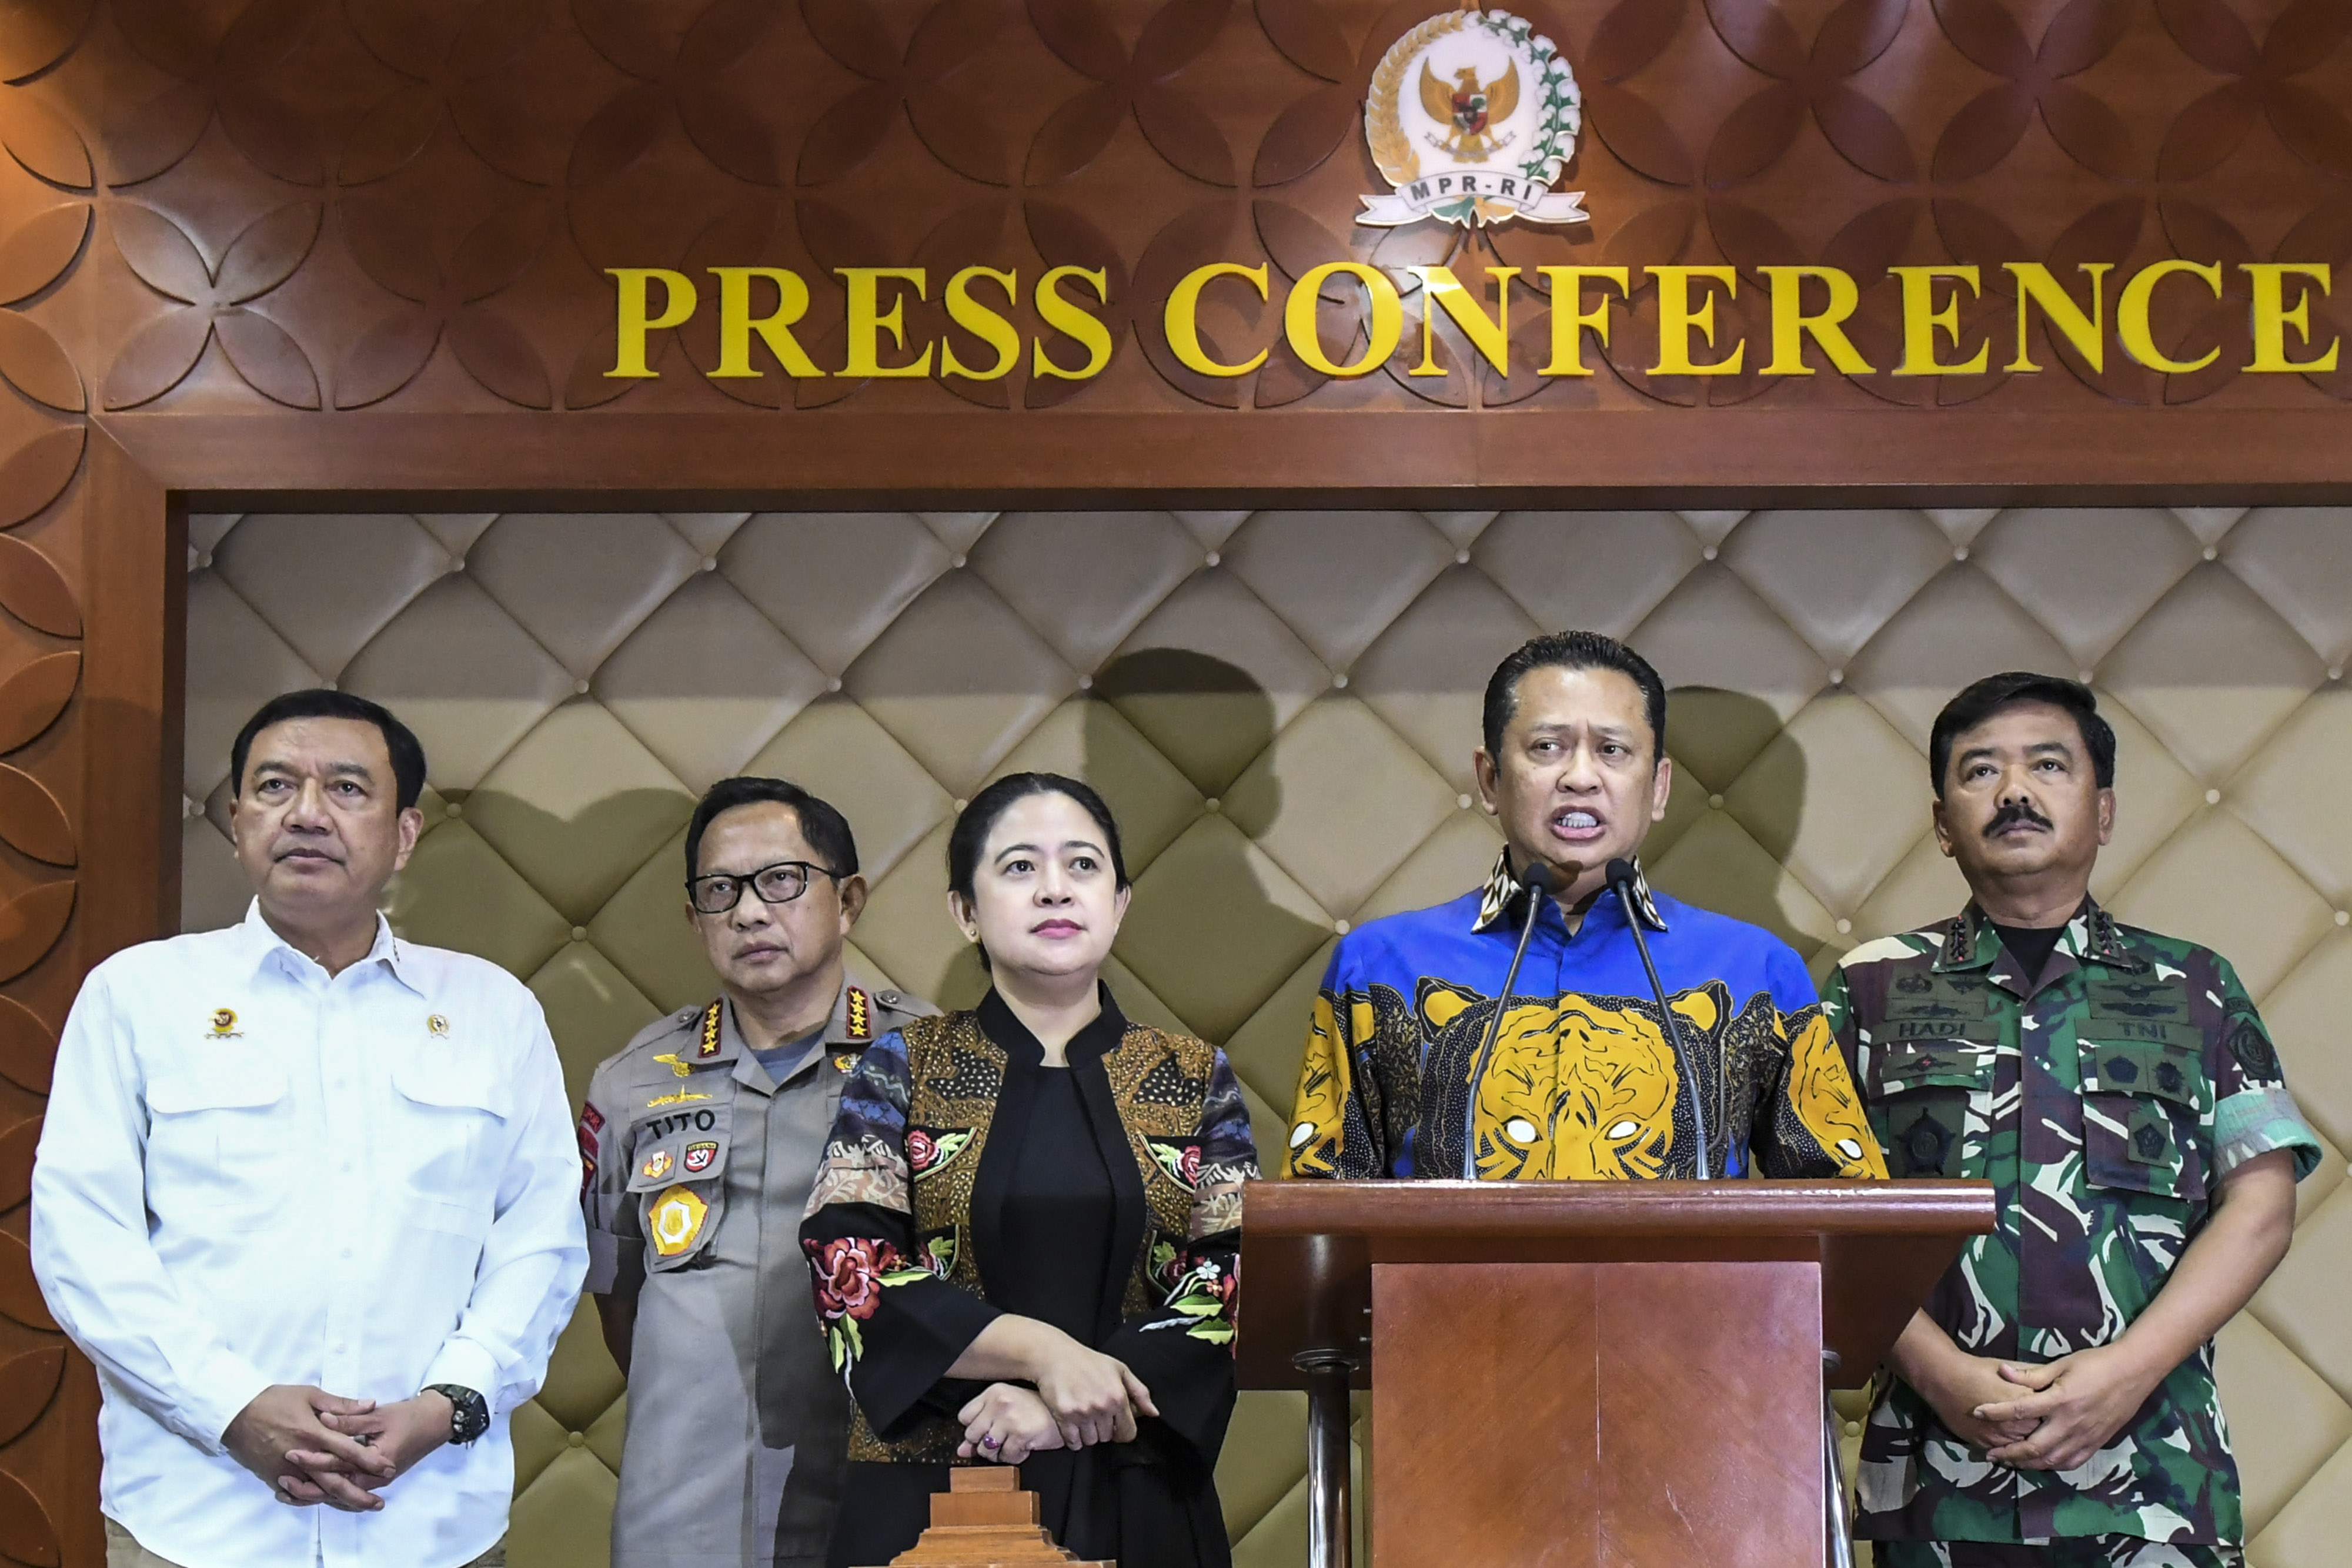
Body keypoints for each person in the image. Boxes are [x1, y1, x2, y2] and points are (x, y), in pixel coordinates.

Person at [30, 689, 586, 1568]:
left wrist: (449, 1403)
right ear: (237, 820)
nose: (307, 813)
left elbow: (540, 1239)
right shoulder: (137, 995)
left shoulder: (493, 1010)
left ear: (404, 833)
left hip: (431, 1519)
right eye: (275, 785)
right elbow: (83, 1241)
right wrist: (231, 1406)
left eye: (347, 788)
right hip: (198, 1518)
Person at [1826, 673, 2320, 1568]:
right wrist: (1940, 1372)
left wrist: (2127, 1371)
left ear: (2105, 810)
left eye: (2048, 765)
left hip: (2155, 1481)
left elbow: (2261, 1204)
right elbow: (1819, 1205)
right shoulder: (1868, 988)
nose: (2014, 790)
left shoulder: (2197, 986)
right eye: (1981, 770)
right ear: (1942, 824)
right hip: (1941, 1483)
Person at [799, 773, 1257, 1568]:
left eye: (1083, 865)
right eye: (1019, 867)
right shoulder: (903, 1066)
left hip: (1138, 1486)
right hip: (931, 1487)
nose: (1055, 888)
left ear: (1119, 902)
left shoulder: (1192, 1076)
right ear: (965, 911)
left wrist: (1063, 1408)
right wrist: (1045, 1354)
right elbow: (848, 1266)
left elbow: (1235, 1280)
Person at [1285, 628, 1885, 1182]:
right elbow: (1318, 1208)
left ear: (1659, 788)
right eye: (1547, 747)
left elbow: (1845, 1212)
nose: (1580, 777)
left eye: (1612, 750)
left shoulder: (1754, 972)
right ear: (1490, 779)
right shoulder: (1379, 968)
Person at [580, 777, 934, 1568]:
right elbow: (620, 1297)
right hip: (685, 1508)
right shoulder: (632, 1082)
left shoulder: (932, 1063)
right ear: (695, 918)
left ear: (847, 899)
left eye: (780, 880)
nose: (748, 912)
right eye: (720, 890)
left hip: (881, 1494)